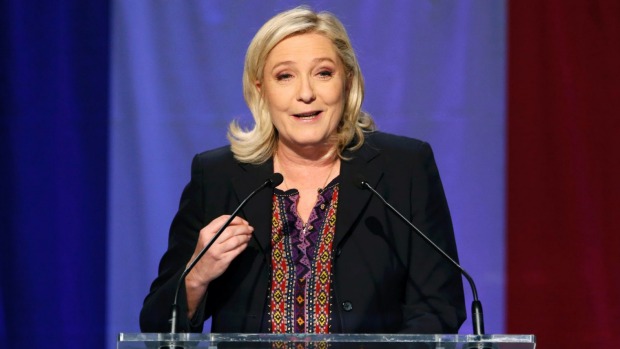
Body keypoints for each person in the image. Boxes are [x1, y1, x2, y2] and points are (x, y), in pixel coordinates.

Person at [140, 6, 466, 334]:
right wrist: (196, 277)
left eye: (323, 73)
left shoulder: (403, 168)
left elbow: (439, 307)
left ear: (347, 81)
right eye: (285, 76)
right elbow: (156, 323)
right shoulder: (218, 176)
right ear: (260, 90)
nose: (306, 93)